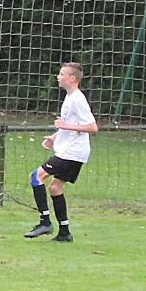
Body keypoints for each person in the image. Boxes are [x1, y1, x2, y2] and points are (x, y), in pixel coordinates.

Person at [25, 62, 97, 242]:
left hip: (71, 153)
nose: (58, 77)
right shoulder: (70, 97)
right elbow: (70, 126)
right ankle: (64, 232)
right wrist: (54, 137)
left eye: (62, 74)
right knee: (55, 187)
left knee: (36, 176)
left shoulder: (78, 99)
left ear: (72, 78)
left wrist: (65, 126)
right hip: (71, 151)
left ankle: (45, 222)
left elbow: (92, 127)